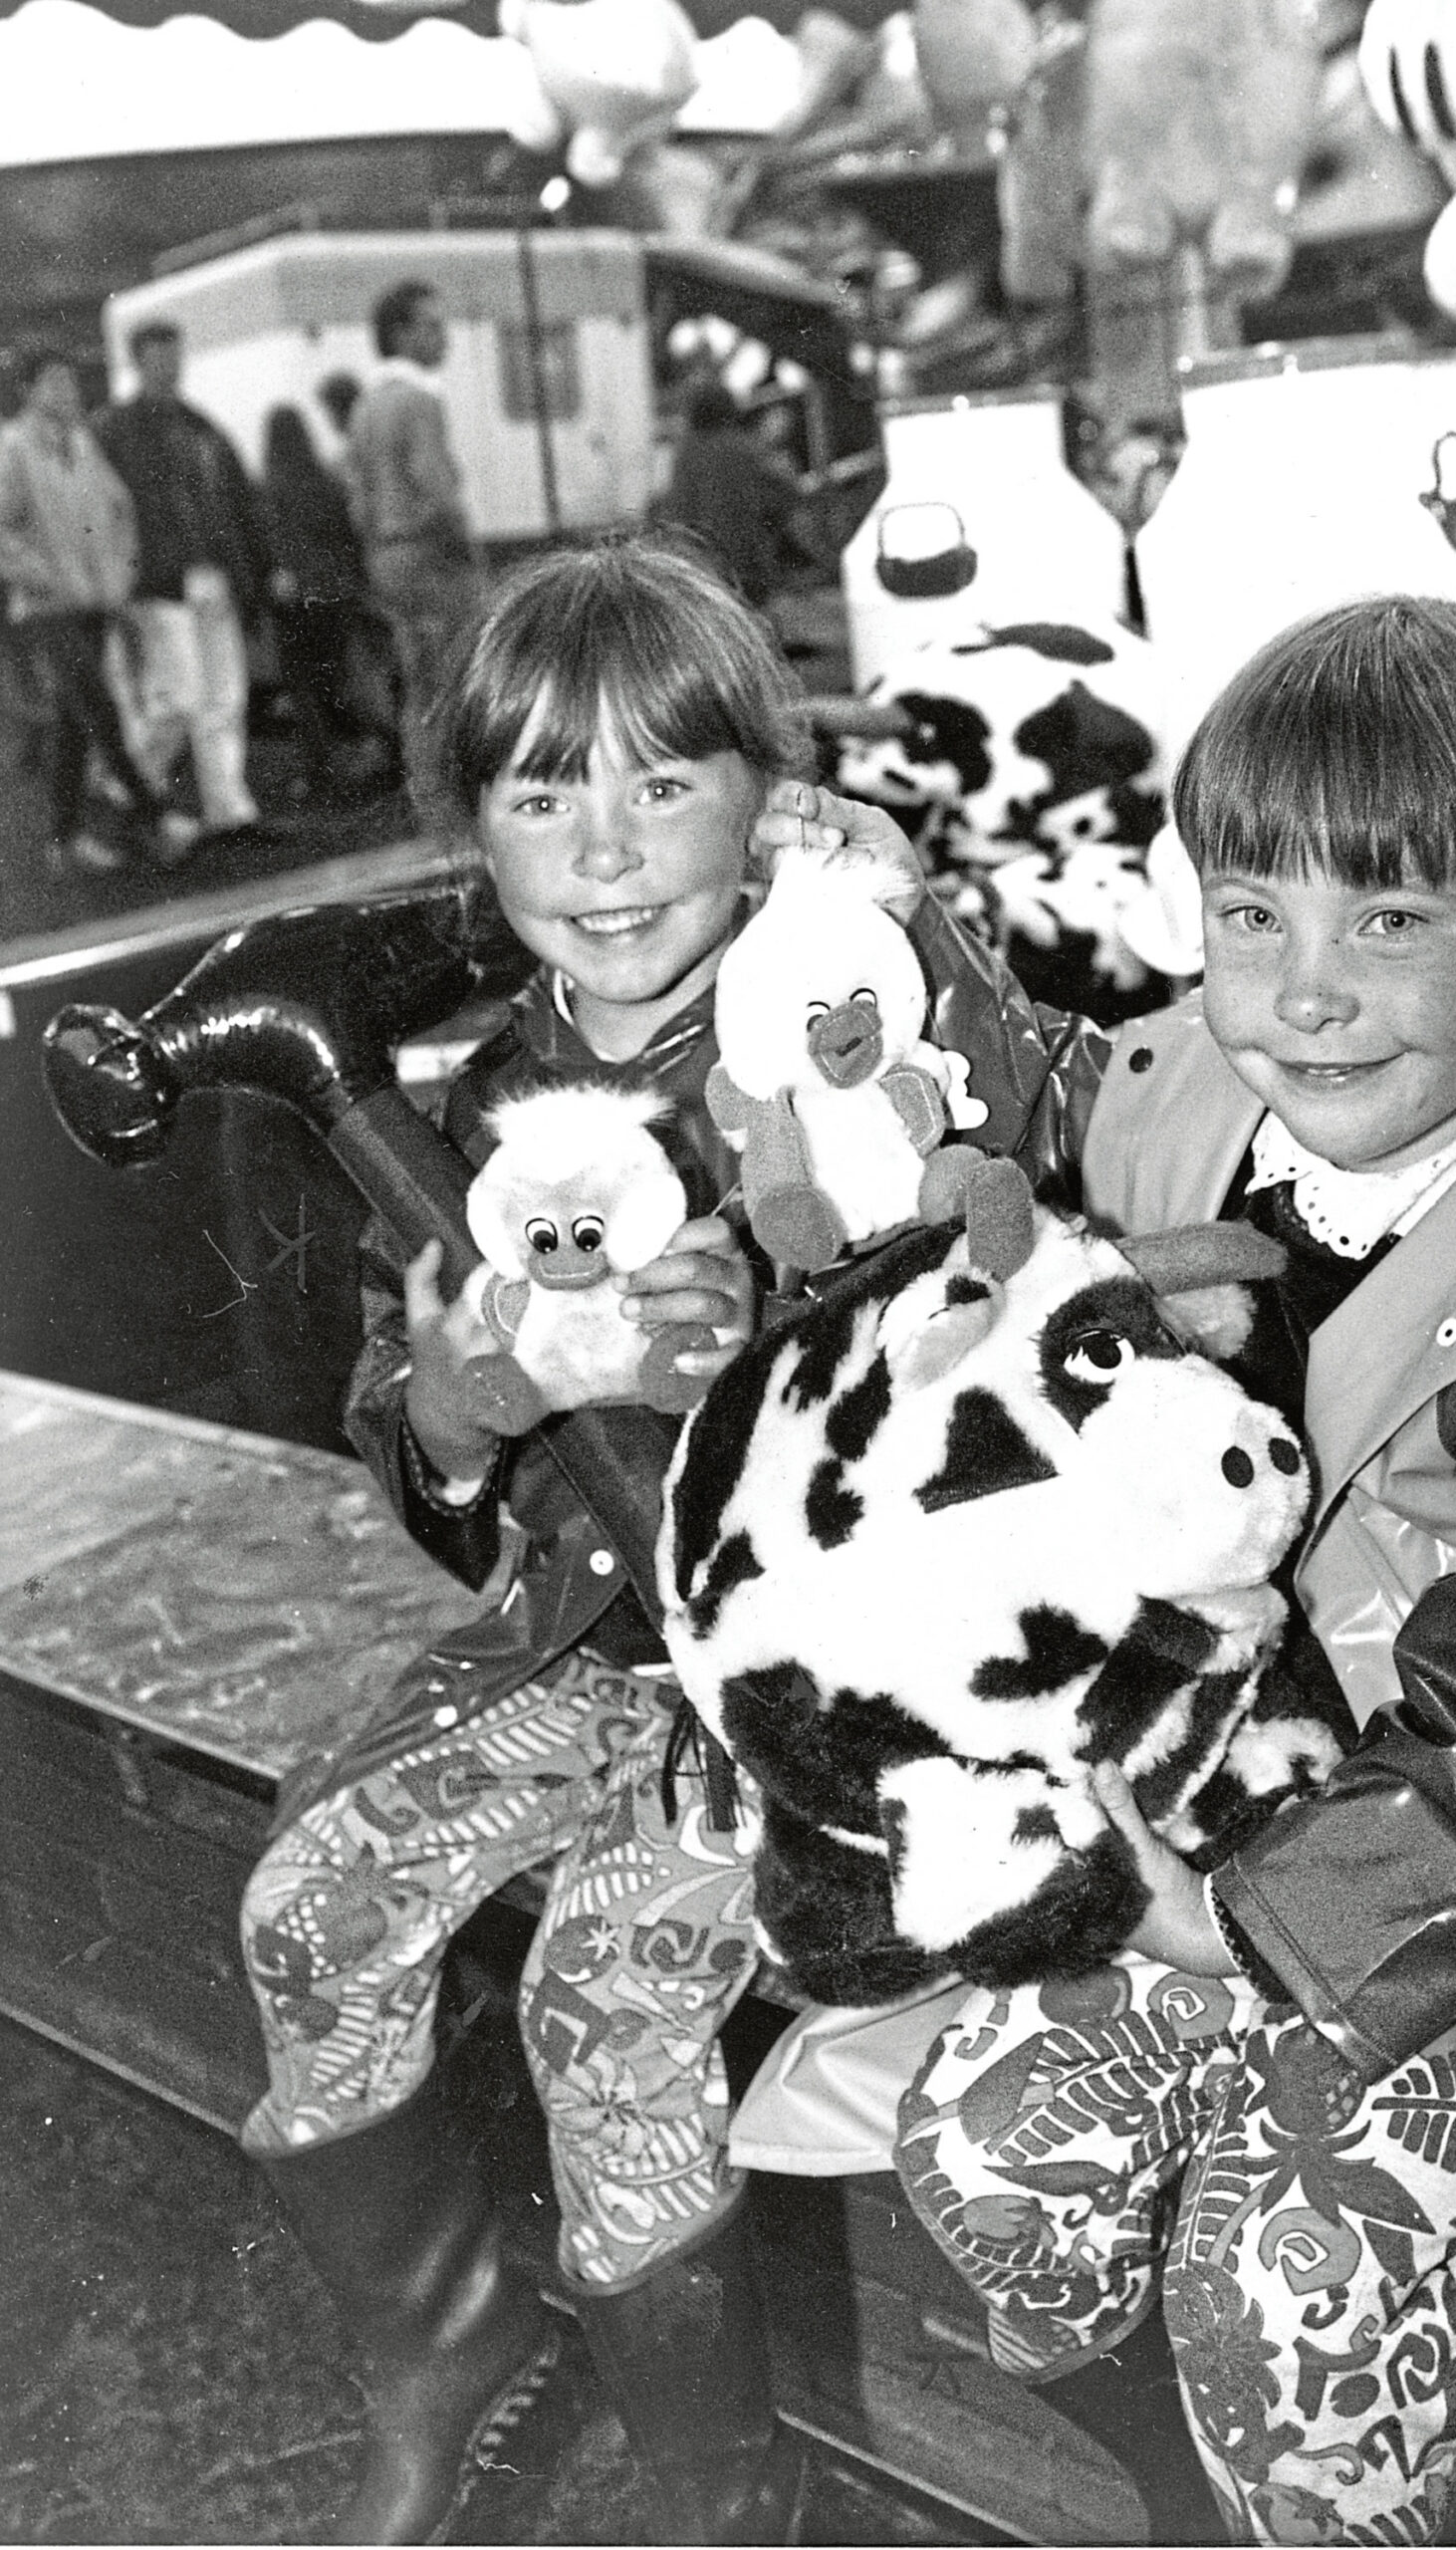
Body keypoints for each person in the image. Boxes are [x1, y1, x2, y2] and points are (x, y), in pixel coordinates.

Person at [234, 528, 1097, 2547]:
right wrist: (472, 1409)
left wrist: (877, 887)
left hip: (806, 1689)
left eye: (664, 781)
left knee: (605, 2008)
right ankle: (437, 2344)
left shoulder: (848, 1032)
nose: (607, 850)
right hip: (576, 1657)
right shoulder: (470, 1104)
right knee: (308, 1901)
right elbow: (417, 1432)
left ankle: (725, 2490)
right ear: (478, 830)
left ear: (758, 802)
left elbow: (1013, 1196)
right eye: (545, 790)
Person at [888, 595, 1456, 2543]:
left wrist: (1234, 1927)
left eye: (1390, 918)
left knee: (1284, 2285)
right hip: (1225, 1813)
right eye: (1249, 911)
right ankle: (1216, 2506)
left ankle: (1345, 2494)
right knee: (982, 2158)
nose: (1302, 992)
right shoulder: (1190, 1083)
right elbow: (1026, 1125)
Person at [0, 340, 201, 876]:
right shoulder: (14, 448)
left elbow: (119, 509)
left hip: (94, 602)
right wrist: (41, 575)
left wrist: (121, 571)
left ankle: (64, 842)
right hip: (47, 609)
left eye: (71, 381)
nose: (69, 392)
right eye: (56, 382)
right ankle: (155, 816)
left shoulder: (83, 442)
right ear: (28, 390)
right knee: (100, 708)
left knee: (75, 718)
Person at [94, 319, 272, 837]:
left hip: (211, 574)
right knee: (181, 698)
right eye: (160, 355)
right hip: (158, 581)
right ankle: (128, 787)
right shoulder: (117, 429)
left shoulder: (197, 425)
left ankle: (228, 808)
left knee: (223, 696)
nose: (171, 364)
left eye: (175, 354)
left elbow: (237, 499)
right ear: (138, 360)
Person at [344, 280, 483, 813]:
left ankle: (430, 799)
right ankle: (465, 798)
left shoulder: (366, 405)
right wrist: (466, 550)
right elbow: (438, 490)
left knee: (419, 683)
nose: (443, 336)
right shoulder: (420, 399)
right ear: (399, 334)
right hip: (430, 557)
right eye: (431, 325)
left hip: (385, 557)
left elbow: (357, 497)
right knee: (463, 674)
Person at [259, 404, 384, 801]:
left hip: (295, 599)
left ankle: (320, 771)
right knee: (339, 679)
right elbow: (349, 538)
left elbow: (270, 545)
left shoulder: (269, 489)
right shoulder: (326, 481)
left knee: (303, 688)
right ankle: (381, 749)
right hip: (334, 595)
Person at [661, 377, 799, 610]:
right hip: (744, 564)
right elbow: (788, 492)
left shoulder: (684, 454)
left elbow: (676, 508)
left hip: (697, 563)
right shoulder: (746, 449)